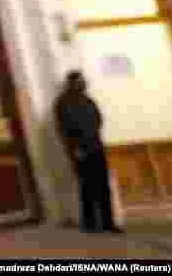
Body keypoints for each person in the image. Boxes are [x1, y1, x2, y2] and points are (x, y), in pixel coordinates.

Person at [54, 70, 121, 234]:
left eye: (83, 81)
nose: (83, 83)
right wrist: (74, 148)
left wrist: (94, 135)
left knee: (103, 187)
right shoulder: (62, 103)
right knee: (87, 188)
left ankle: (108, 222)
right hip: (80, 150)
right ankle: (90, 223)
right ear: (71, 83)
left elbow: (99, 119)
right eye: (80, 81)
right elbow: (64, 129)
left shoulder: (88, 100)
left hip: (96, 147)